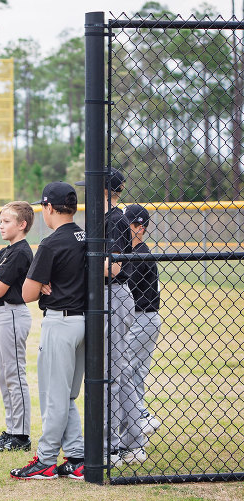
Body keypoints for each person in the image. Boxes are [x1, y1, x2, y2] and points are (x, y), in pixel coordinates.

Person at [10, 182, 86, 480]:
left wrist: (40, 284)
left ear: (49, 207)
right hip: (84, 321)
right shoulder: (86, 236)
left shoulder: (51, 243)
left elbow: (26, 293)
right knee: (67, 395)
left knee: (55, 396)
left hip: (61, 321)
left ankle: (45, 460)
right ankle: (77, 457)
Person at [90, 170, 146, 467]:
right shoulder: (106, 217)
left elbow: (112, 268)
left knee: (111, 375)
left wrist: (82, 263)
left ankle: (110, 447)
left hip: (113, 294)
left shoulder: (114, 220)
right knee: (119, 371)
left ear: (104, 190)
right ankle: (134, 441)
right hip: (111, 296)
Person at [0, 201, 34, 453]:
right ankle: (11, 430)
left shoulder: (21, 252)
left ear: (22, 225)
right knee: (4, 376)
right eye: (0, 221)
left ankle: (21, 435)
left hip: (12, 313)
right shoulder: (5, 251)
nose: (1, 225)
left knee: (14, 375)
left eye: (7, 221)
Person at [123, 204, 162, 438]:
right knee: (135, 373)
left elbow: (124, 285)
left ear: (139, 227)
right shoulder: (133, 252)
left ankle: (142, 416)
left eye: (125, 225)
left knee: (123, 368)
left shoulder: (139, 255)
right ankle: (134, 434)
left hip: (142, 318)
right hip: (145, 319)